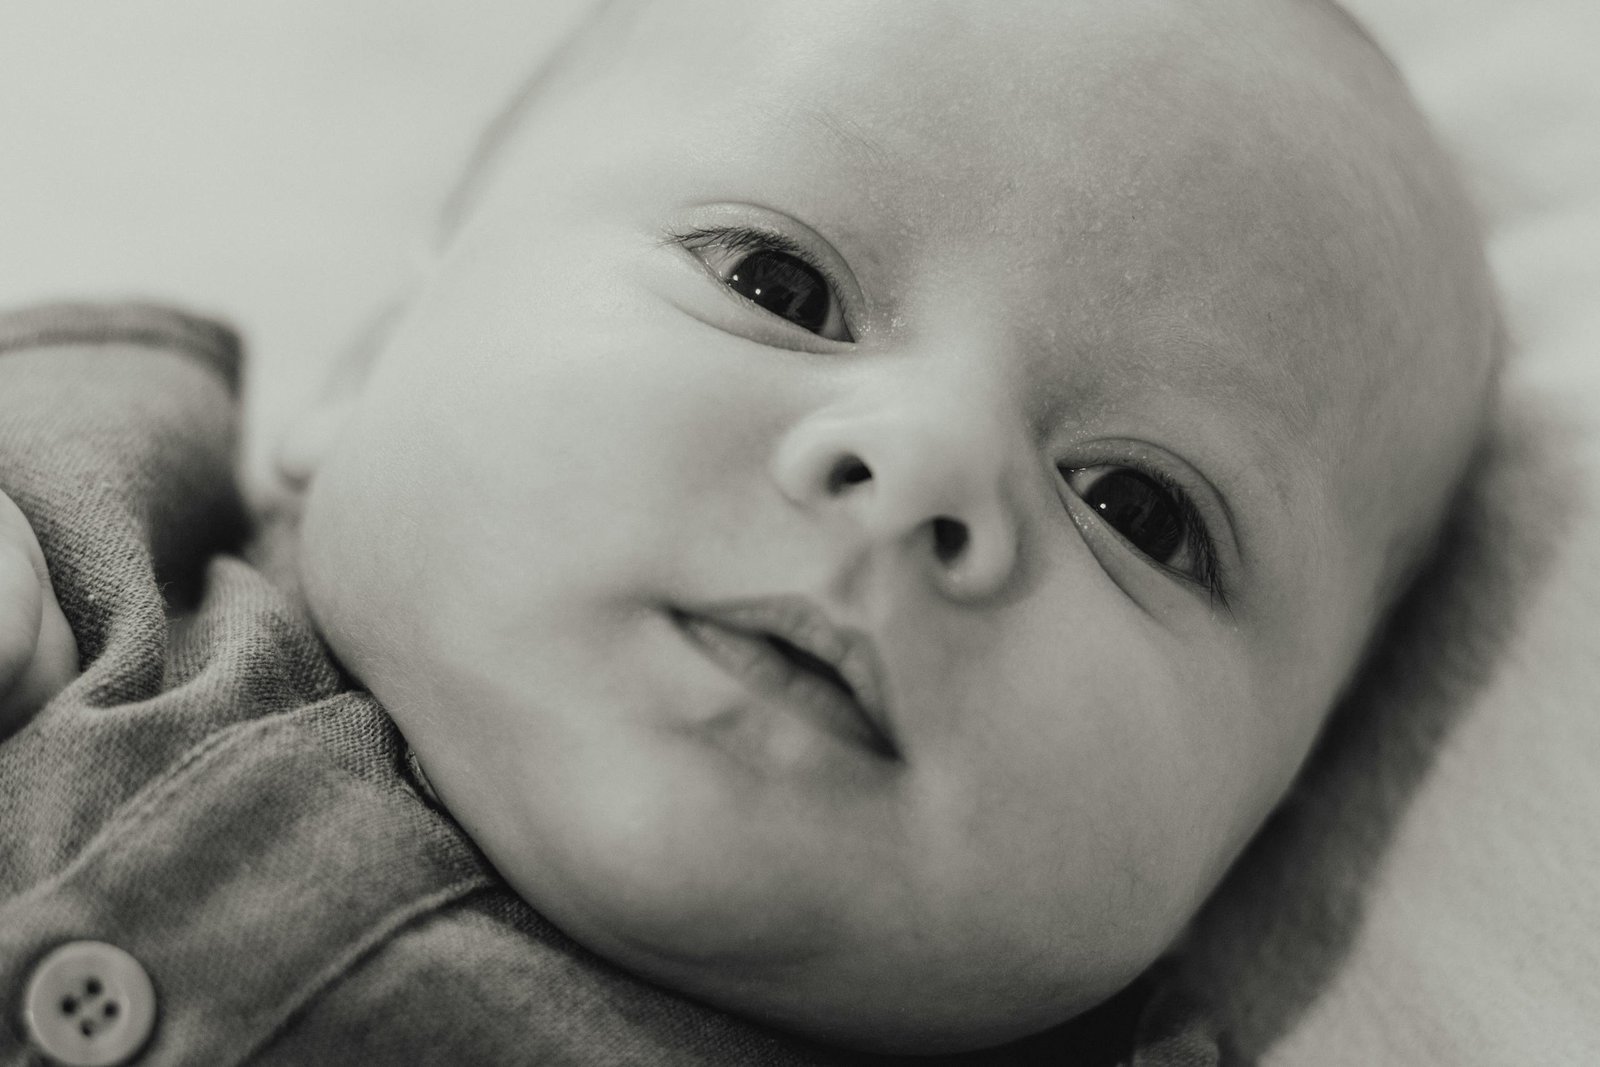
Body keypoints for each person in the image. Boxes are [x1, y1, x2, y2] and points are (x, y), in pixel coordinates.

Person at [0, 0, 1501, 1062]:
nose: (924, 467)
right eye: (778, 287)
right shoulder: (87, 540)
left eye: (1140, 510)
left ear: (1276, 806)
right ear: (376, 352)